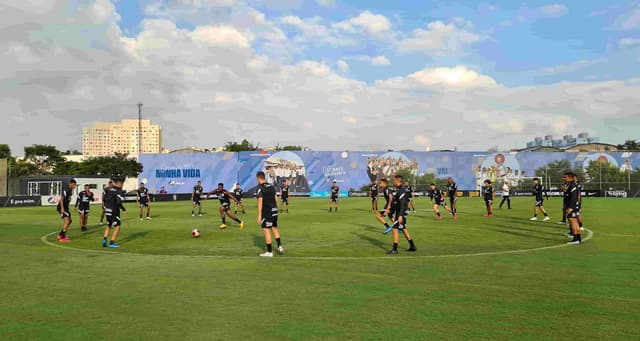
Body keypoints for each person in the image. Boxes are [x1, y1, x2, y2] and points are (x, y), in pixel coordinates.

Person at [386, 175, 417, 254]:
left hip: (401, 213)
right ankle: (412, 246)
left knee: (395, 228)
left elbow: (403, 204)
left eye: (394, 180)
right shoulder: (398, 189)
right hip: (399, 212)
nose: (393, 182)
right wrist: (390, 210)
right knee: (403, 229)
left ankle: (395, 249)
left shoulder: (402, 190)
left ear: (397, 181)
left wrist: (400, 215)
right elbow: (396, 203)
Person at [256, 171, 283, 257]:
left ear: (258, 178)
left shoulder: (260, 188)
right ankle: (280, 246)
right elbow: (275, 198)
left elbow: (260, 201)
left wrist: (259, 215)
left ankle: (269, 252)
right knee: (274, 228)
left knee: (266, 229)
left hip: (267, 212)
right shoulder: (271, 186)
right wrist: (274, 207)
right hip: (274, 210)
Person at [102, 176, 128, 248]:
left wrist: (105, 207)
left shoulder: (109, 189)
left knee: (109, 225)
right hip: (114, 211)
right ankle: (112, 242)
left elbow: (104, 199)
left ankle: (104, 240)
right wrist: (124, 210)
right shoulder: (119, 191)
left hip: (107, 210)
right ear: (119, 183)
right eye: (122, 183)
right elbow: (119, 202)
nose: (123, 185)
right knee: (117, 226)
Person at [565, 172, 583, 244]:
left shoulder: (572, 186)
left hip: (572, 207)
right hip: (575, 206)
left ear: (570, 178)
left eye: (566, 177)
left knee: (572, 221)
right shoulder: (573, 185)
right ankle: (578, 238)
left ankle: (575, 239)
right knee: (575, 222)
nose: (565, 178)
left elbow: (573, 198)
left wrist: (570, 208)